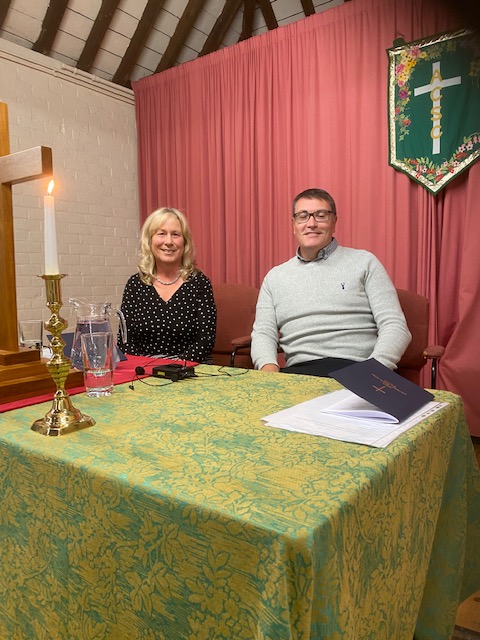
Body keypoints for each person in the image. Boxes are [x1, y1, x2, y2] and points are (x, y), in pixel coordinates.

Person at [251, 188, 411, 377]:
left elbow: (395, 326)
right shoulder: (274, 277)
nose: (311, 224)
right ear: (294, 225)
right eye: (303, 216)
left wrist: (374, 370)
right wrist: (269, 373)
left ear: (334, 222)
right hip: (299, 375)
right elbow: (263, 333)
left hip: (359, 370)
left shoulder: (365, 262)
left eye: (321, 215)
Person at [118, 207, 216, 363]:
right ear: (149, 240)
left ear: (185, 242)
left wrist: (172, 368)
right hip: (143, 370)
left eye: (175, 234)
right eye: (161, 233)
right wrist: (145, 368)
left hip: (189, 368)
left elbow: (205, 341)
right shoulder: (135, 285)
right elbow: (124, 341)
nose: (168, 242)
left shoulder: (199, 283)